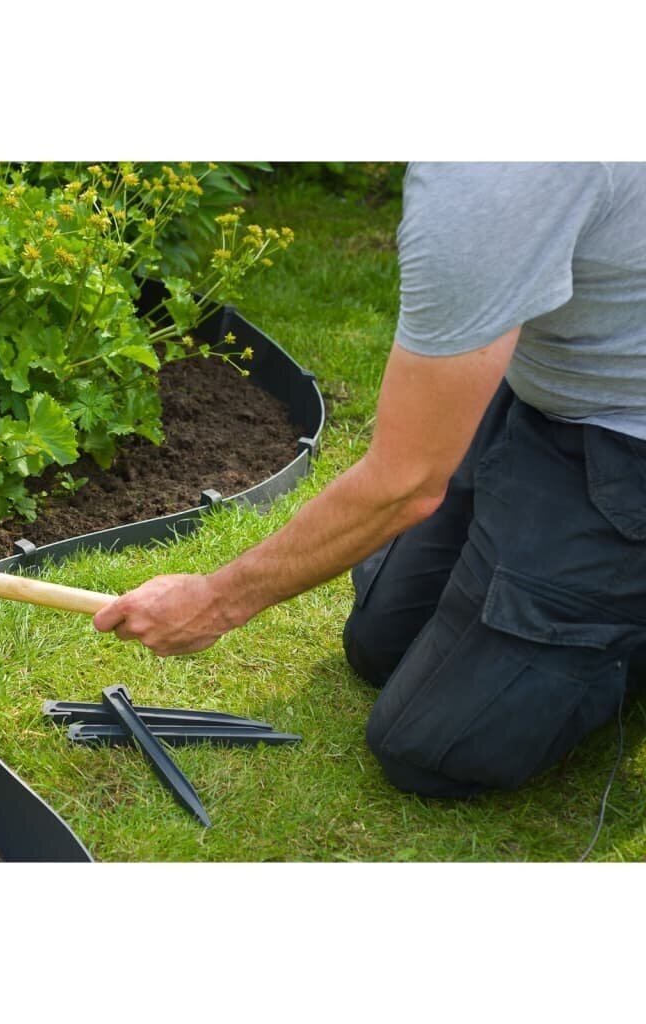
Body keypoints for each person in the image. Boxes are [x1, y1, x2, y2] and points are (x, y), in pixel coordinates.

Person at [93, 162, 646, 797]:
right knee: (378, 644)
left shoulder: (494, 178)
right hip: (541, 402)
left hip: (626, 443)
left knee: (432, 748)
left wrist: (216, 599)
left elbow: (407, 483)